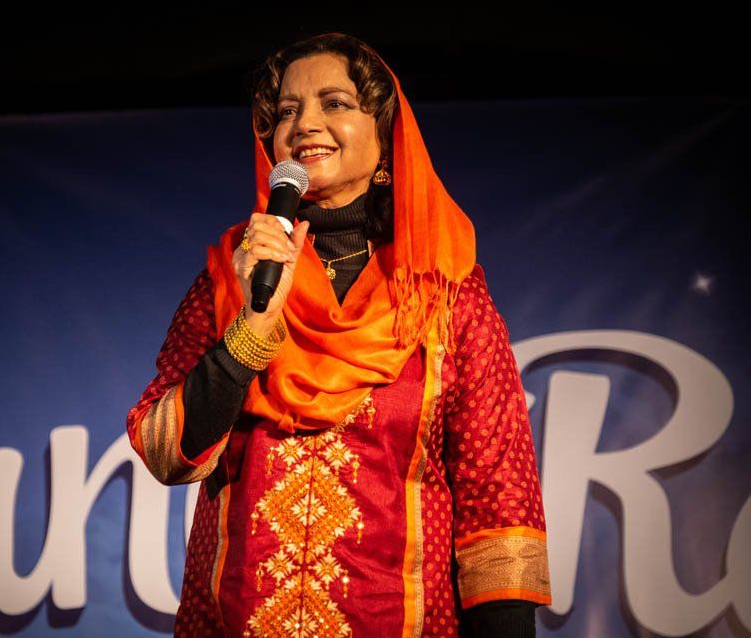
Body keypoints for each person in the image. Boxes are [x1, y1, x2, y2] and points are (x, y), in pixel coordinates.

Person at [126, 32, 552, 637]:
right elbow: (167, 453)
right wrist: (253, 324)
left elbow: (497, 494)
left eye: (334, 103)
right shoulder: (233, 276)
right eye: (287, 112)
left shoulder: (442, 291)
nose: (304, 125)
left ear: (385, 136)